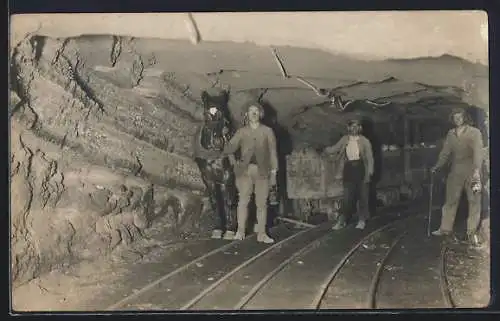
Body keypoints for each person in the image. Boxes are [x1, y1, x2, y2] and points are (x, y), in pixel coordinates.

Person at [221, 102, 278, 243]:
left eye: (256, 111)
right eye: (251, 111)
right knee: (243, 201)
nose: (254, 113)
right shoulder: (242, 132)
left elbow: (272, 153)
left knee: (262, 203)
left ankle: (262, 234)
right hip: (245, 171)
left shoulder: (267, 131)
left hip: (262, 171)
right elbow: (229, 149)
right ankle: (240, 232)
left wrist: (274, 172)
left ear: (260, 114)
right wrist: (234, 163)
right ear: (247, 114)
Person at [431, 108, 483, 246]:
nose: (457, 120)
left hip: (472, 171)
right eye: (455, 118)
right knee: (450, 200)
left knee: (474, 201)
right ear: (452, 119)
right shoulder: (451, 134)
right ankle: (445, 229)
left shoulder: (474, 132)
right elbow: (445, 152)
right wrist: (437, 166)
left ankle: (471, 232)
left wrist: (477, 171)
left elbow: (478, 152)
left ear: (465, 118)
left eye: (460, 117)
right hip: (455, 171)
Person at [324, 117, 374, 230]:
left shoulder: (365, 141)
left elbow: (370, 157)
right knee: (347, 197)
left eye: (356, 126)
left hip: (361, 169)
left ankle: (362, 220)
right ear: (348, 127)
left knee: (363, 196)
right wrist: (325, 150)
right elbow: (334, 149)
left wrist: (370, 172)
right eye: (352, 126)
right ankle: (342, 221)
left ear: (360, 128)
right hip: (349, 170)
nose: (354, 128)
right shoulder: (345, 139)